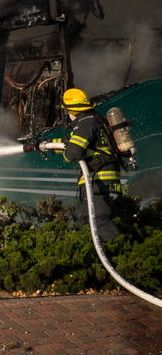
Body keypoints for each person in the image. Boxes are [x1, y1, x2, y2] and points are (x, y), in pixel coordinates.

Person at [59, 87, 126, 242]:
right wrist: (45, 145)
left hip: (99, 179)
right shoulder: (95, 120)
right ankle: (86, 250)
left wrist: (66, 154)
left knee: (100, 220)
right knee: (81, 219)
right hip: (98, 179)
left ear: (71, 110)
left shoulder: (85, 123)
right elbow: (71, 144)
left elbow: (72, 153)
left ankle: (121, 248)